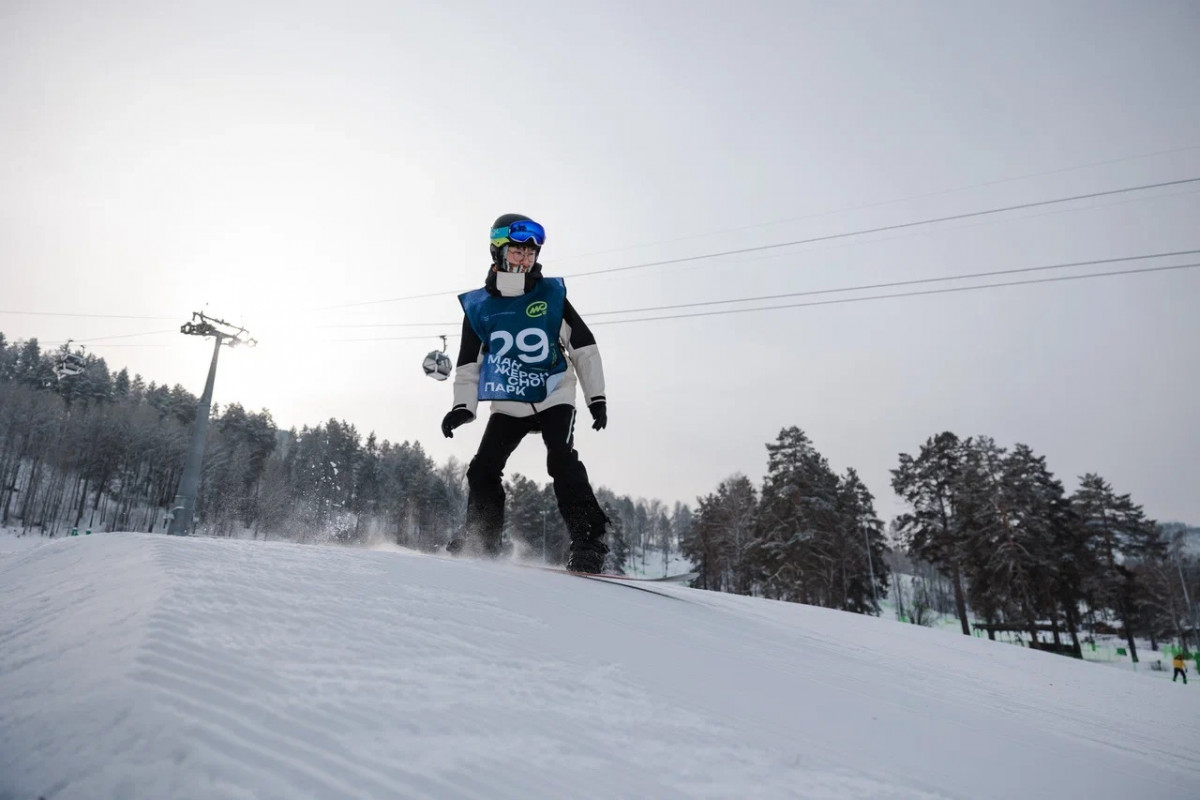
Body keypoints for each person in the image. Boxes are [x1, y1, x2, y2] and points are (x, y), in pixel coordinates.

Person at [441, 213, 610, 573]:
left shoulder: (551, 296)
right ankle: (482, 539)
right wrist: (461, 407)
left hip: (553, 391)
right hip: (509, 399)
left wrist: (597, 398)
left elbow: (584, 347)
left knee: (561, 461)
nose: (524, 259)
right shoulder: (479, 307)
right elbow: (469, 364)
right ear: (498, 251)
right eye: (517, 251)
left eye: (530, 254)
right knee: (482, 469)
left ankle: (589, 541)